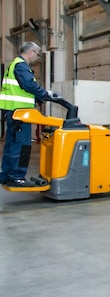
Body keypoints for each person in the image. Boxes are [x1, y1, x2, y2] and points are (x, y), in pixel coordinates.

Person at [0, 41, 54, 187]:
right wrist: (45, 94)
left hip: (13, 112)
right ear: (30, 52)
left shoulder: (13, 64)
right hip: (20, 114)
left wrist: (38, 97)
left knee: (11, 144)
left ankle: (6, 175)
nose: (36, 58)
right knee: (22, 145)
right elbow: (29, 84)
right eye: (37, 54)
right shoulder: (21, 65)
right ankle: (17, 176)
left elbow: (22, 88)